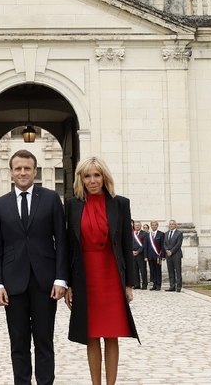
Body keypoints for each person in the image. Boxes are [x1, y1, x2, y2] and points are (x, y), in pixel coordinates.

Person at [0, 149, 69, 385]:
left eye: (27, 168)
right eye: (18, 168)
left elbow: (62, 241)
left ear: (35, 171)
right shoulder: (0, 204)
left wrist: (61, 279)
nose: (23, 172)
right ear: (11, 172)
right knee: (18, 342)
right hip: (12, 283)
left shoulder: (51, 198)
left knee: (44, 340)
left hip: (46, 282)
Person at [64, 156, 139, 385]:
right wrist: (67, 284)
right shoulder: (72, 205)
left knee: (111, 333)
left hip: (112, 274)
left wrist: (129, 284)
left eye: (96, 175)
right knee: (91, 334)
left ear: (104, 177)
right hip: (84, 276)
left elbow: (127, 245)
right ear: (81, 179)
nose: (92, 180)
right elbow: (68, 246)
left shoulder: (121, 204)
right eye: (87, 176)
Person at [164, 219, 184, 292]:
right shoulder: (166, 233)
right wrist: (167, 250)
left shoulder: (179, 233)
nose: (171, 225)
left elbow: (178, 244)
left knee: (178, 271)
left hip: (176, 255)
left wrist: (172, 251)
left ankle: (178, 286)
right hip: (168, 255)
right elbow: (164, 243)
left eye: (172, 224)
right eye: (170, 224)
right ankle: (172, 286)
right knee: (170, 271)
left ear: (175, 225)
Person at [145, 220, 165, 291]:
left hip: (158, 256)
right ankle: (154, 284)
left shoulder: (161, 234)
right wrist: (146, 256)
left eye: (155, 225)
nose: (154, 226)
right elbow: (146, 246)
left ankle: (158, 285)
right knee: (152, 270)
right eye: (152, 225)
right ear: (151, 226)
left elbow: (163, 246)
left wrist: (163, 256)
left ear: (157, 226)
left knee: (158, 270)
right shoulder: (148, 235)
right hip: (150, 256)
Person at [130, 221, 148, 290]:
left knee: (143, 271)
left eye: (138, 225)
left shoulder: (144, 234)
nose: (137, 226)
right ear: (134, 226)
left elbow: (144, 244)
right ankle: (136, 284)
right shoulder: (132, 234)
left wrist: (138, 251)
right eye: (136, 225)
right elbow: (130, 243)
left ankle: (144, 284)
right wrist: (132, 251)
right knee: (135, 271)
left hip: (141, 255)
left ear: (140, 226)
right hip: (133, 255)